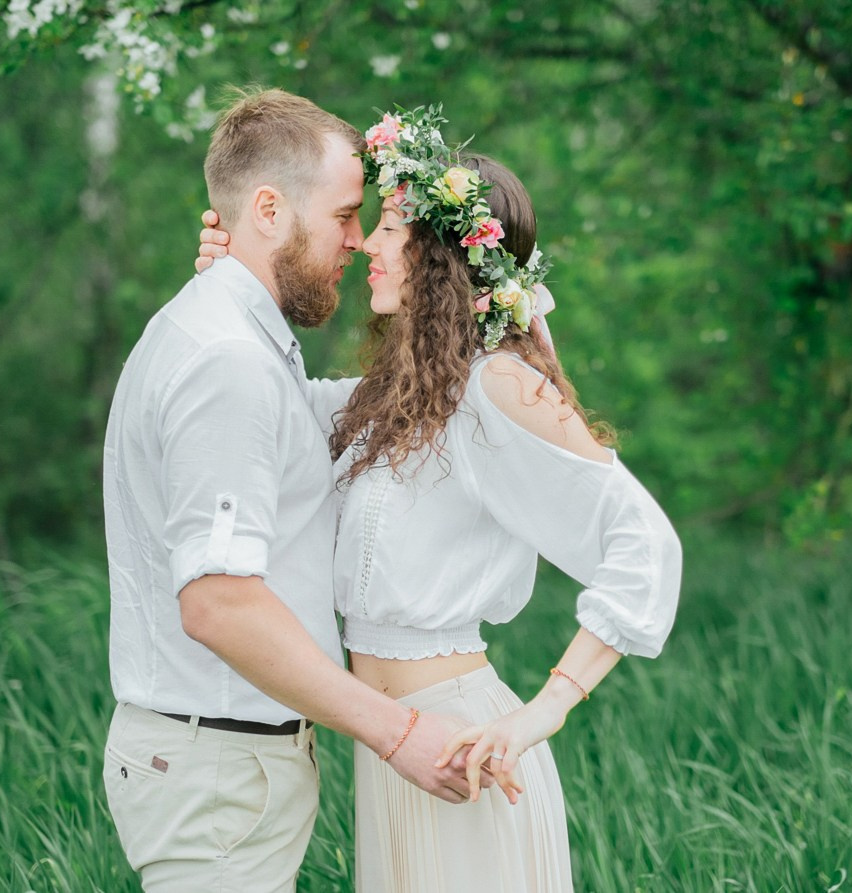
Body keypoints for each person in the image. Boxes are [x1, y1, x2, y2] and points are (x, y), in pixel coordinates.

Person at [196, 105, 682, 892]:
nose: (366, 246)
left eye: (389, 229)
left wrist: (541, 712)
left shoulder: (499, 385)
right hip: (393, 758)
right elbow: (273, 403)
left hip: (463, 747)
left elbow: (644, 542)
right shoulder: (398, 396)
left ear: (443, 254)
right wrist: (235, 276)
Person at [102, 89, 481, 893]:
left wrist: (485, 350)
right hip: (217, 775)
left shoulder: (235, 335)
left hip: (227, 768)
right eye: (346, 216)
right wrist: (398, 731)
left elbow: (325, 418)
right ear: (268, 208)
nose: (357, 240)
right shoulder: (227, 360)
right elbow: (218, 602)